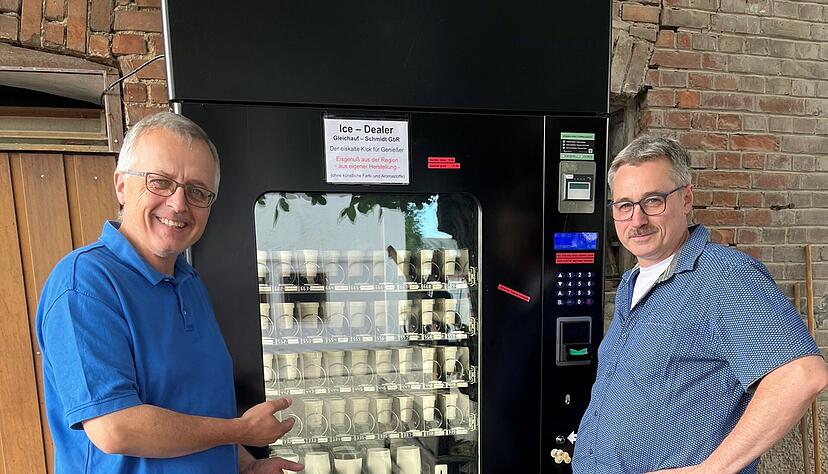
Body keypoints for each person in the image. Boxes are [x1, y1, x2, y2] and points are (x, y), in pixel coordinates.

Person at [36, 112, 303, 473]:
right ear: (121, 186)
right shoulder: (85, 282)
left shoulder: (188, 281)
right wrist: (242, 430)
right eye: (160, 182)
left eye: (197, 191)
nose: (179, 204)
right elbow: (115, 428)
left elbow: (199, 408)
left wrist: (244, 466)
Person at [572, 135, 828, 474]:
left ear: (686, 198)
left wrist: (711, 470)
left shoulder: (723, 276)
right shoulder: (631, 283)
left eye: (653, 201)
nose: (637, 220)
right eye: (624, 205)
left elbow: (801, 375)